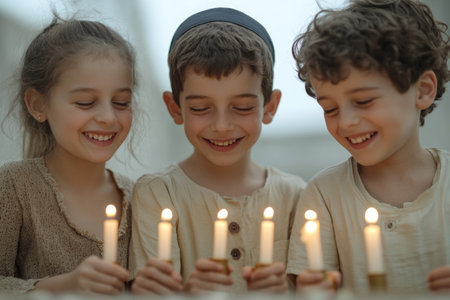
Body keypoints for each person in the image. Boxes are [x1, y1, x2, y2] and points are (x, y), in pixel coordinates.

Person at [130, 7, 306, 295]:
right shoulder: (158, 195)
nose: (222, 126)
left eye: (243, 107)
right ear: (175, 109)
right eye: (201, 108)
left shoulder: (295, 196)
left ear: (270, 107)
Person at [286, 0, 450, 294]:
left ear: (423, 90)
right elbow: (313, 289)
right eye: (330, 108)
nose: (346, 122)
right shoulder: (324, 195)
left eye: (363, 101)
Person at [0, 16, 137, 294]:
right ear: (38, 104)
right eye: (86, 102)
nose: (109, 118)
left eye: (121, 102)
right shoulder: (13, 187)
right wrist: (64, 287)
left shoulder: (140, 198)